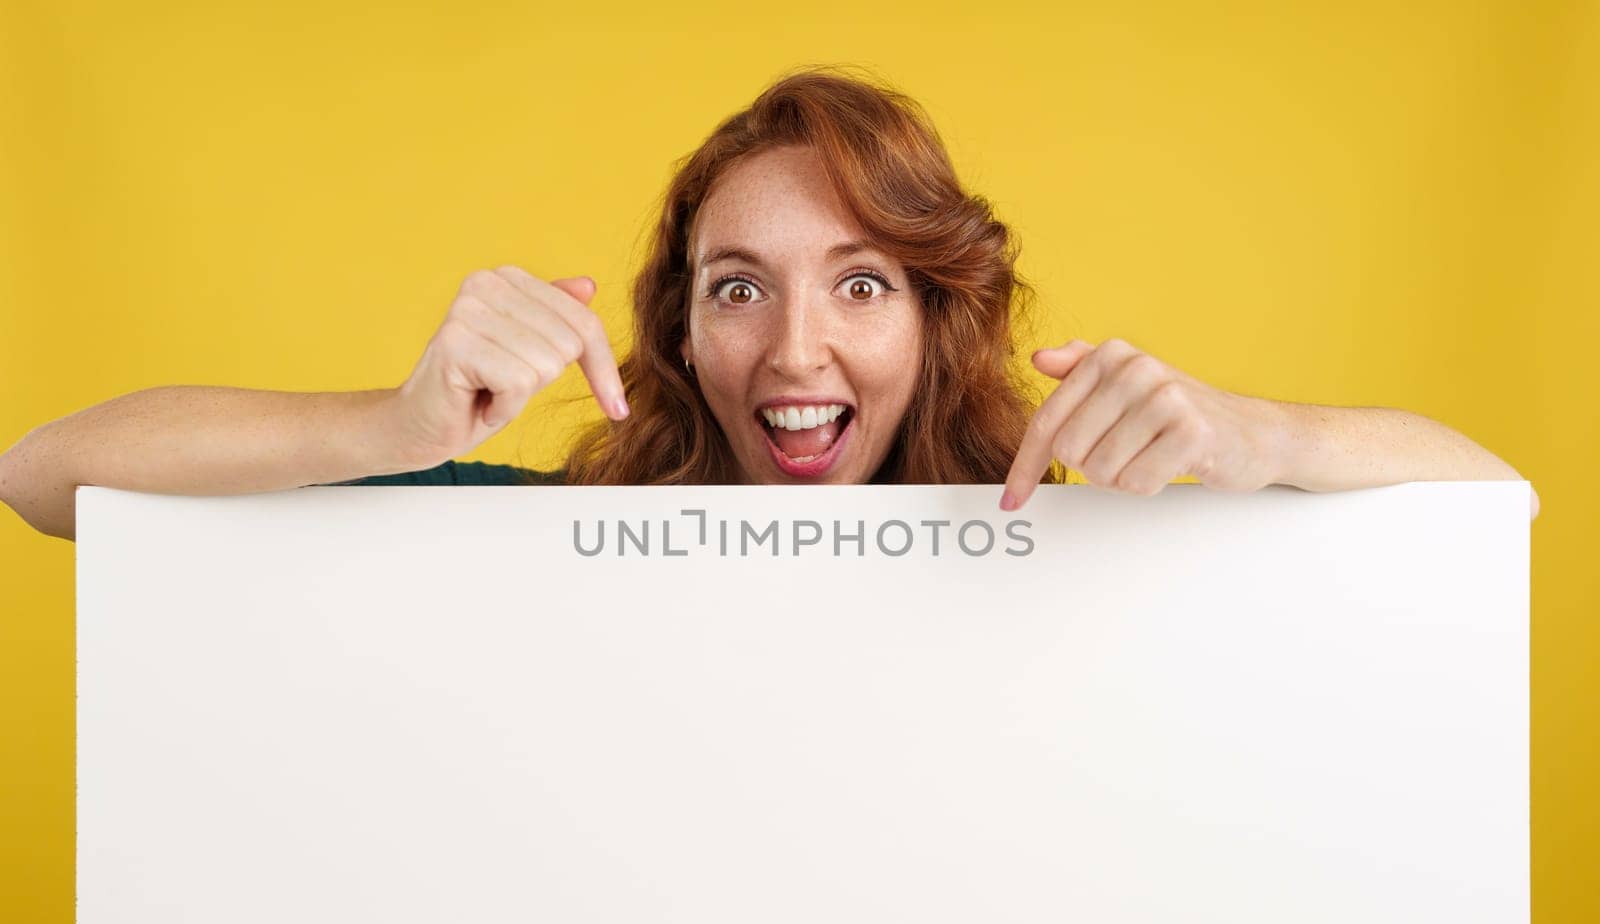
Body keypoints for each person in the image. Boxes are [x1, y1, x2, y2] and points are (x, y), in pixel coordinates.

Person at [0, 66, 1538, 543]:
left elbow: (1497, 507)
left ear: (940, 322)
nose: (794, 351)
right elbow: (44, 478)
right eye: (738, 289)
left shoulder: (1080, 557)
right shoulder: (532, 552)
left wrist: (1258, 435)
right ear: (677, 332)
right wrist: (398, 425)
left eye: (862, 283)